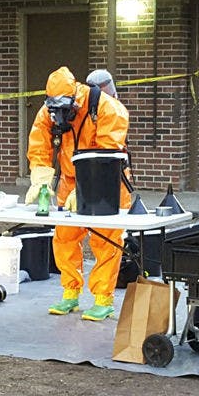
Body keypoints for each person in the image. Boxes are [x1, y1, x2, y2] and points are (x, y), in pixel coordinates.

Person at [25, 66, 130, 321]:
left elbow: (108, 153)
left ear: (75, 97)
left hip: (106, 182)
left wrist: (88, 189)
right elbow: (39, 144)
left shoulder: (105, 108)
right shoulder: (48, 112)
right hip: (70, 182)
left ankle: (103, 299)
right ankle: (70, 294)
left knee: (105, 241)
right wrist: (41, 180)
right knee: (64, 239)